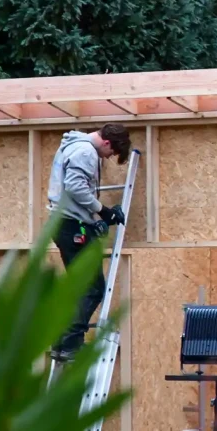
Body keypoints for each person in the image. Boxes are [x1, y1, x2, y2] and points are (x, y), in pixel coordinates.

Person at [46, 123, 132, 361]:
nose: (109, 157)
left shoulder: (73, 146)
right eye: (112, 152)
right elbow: (75, 187)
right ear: (106, 142)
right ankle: (70, 345)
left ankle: (61, 343)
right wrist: (102, 210)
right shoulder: (85, 152)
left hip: (67, 223)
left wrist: (93, 221)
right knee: (92, 288)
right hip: (70, 224)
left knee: (79, 287)